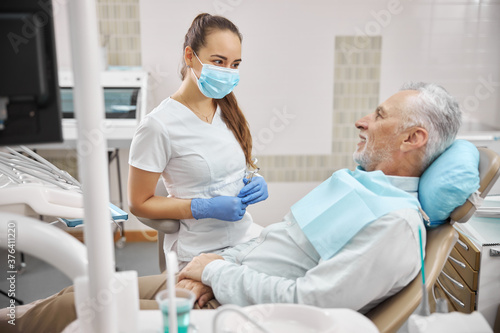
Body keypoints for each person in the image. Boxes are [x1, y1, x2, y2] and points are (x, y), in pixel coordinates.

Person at [0, 82, 462, 332]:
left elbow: (312, 300)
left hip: (239, 305)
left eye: (380, 116)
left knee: (74, 315)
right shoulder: (361, 189)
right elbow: (283, 245)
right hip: (223, 273)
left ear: (413, 138)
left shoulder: (396, 225)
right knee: (79, 292)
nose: (363, 120)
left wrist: (213, 276)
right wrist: (210, 266)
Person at [127, 13, 268, 267]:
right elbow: (138, 203)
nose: (228, 72)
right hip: (199, 252)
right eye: (218, 61)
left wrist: (253, 180)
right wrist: (203, 208)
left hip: (244, 238)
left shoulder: (227, 111)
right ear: (190, 56)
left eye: (235, 64)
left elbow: (231, 168)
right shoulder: (158, 126)